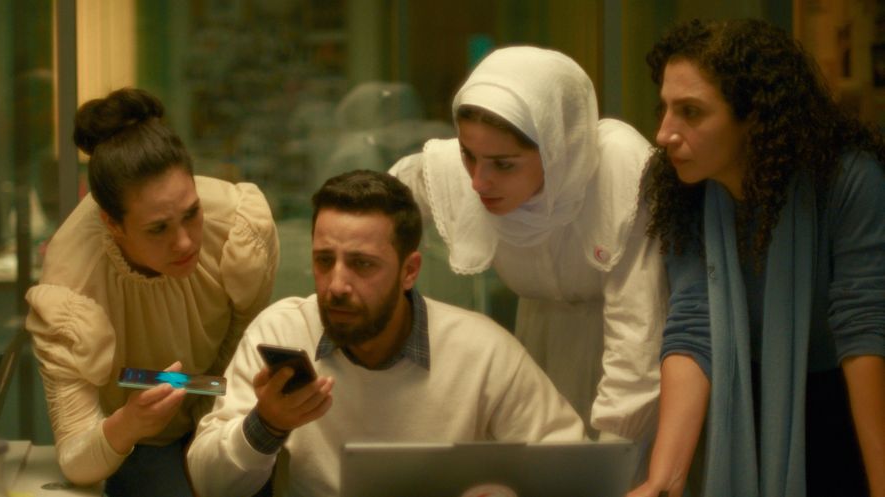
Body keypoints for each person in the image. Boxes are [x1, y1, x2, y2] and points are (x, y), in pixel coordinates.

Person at [186, 170, 585, 497]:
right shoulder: (284, 331)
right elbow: (209, 484)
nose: (336, 284)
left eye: (362, 264)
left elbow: (574, 470)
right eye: (324, 260)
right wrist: (266, 425)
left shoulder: (482, 351)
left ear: (409, 270)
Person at [629, 19, 885, 497]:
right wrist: (664, 479)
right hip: (738, 402)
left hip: (844, 406)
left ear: (756, 118)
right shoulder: (677, 187)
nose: (665, 134)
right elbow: (693, 320)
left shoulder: (849, 179)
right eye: (664, 108)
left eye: (691, 112)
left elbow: (864, 327)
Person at [389, 46, 667, 446]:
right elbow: (377, 205)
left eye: (504, 164)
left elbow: (637, 337)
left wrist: (607, 461)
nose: (478, 182)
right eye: (468, 155)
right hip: (534, 354)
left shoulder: (620, 172)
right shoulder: (462, 168)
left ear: (556, 150)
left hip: (625, 372)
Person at [24, 88, 279, 496]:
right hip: (138, 441)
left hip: (222, 413)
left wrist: (210, 412)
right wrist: (129, 423)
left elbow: (241, 335)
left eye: (191, 214)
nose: (184, 243)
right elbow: (75, 457)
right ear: (113, 223)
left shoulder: (235, 224)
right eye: (158, 228)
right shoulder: (71, 283)